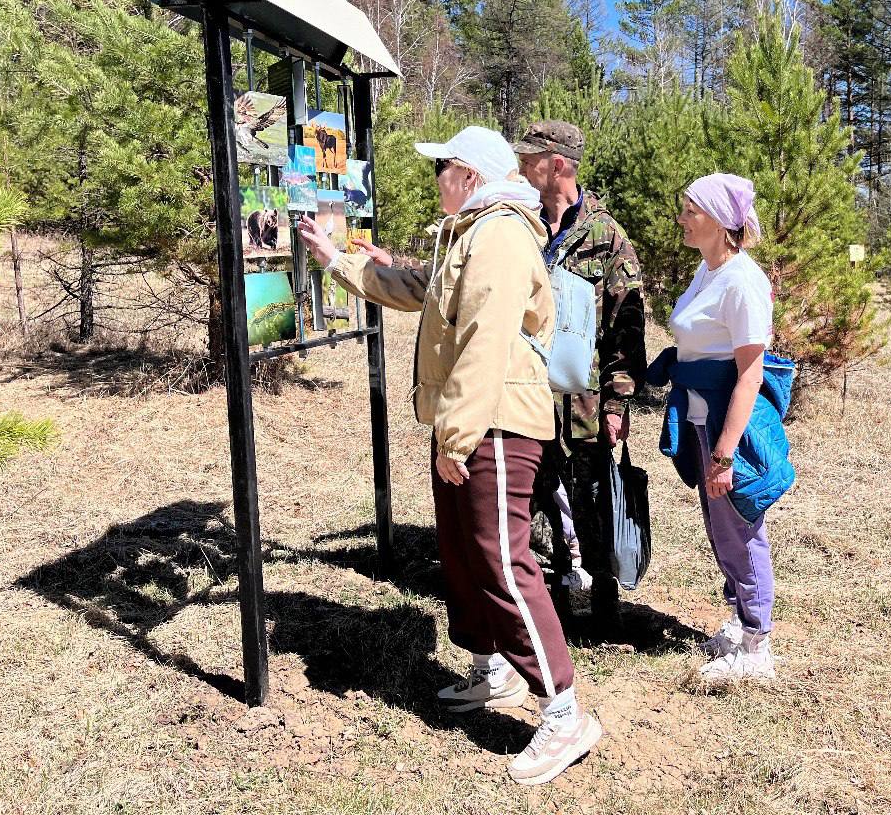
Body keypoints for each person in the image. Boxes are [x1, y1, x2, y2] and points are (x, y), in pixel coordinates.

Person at [296, 126, 602, 785]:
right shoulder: (473, 232)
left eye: (442, 168)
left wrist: (456, 437)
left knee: (503, 561)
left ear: (468, 174)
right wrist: (338, 259)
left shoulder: (497, 235)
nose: (435, 178)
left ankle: (565, 712)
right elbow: (419, 289)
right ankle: (494, 670)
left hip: (492, 425)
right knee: (465, 554)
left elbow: (487, 340)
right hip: (472, 422)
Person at [645, 172, 795, 684]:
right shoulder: (707, 271)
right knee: (721, 528)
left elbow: (750, 372)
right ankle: (740, 619)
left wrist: (727, 453)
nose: (682, 218)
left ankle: (758, 644)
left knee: (740, 527)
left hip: (729, 425)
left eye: (691, 210)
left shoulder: (742, 280)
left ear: (720, 221)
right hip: (700, 417)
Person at [512, 120, 646, 625]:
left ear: (560, 166)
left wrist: (618, 403)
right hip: (526, 393)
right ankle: (554, 586)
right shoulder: (518, 223)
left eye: (532, 159)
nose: (524, 167)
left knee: (593, 495)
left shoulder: (605, 236)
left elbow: (625, 328)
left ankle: (604, 592)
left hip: (585, 404)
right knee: (535, 488)